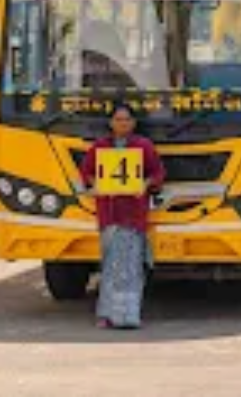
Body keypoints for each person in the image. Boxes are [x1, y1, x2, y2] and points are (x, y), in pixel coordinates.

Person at [81, 102, 165, 330]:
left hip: (134, 214)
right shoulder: (100, 147)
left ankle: (129, 315)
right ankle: (107, 316)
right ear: (111, 123)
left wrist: (145, 184)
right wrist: (95, 184)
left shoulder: (143, 146)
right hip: (109, 214)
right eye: (118, 120)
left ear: (133, 123)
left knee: (131, 268)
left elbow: (157, 172)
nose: (122, 124)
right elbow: (86, 172)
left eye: (126, 120)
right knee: (109, 268)